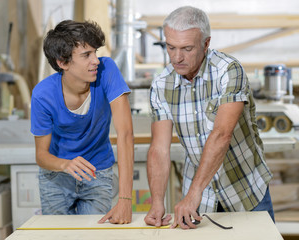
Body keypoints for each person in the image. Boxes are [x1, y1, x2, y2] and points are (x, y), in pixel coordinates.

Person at [144, 6, 274, 229]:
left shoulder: (229, 71)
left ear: (206, 44)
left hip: (245, 191)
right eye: (171, 47)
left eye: (186, 48)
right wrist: (157, 202)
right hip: (201, 202)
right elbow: (159, 148)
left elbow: (222, 135)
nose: (177, 57)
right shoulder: (161, 84)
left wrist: (193, 194)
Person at [30, 20, 134, 224]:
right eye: (86, 55)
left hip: (98, 171)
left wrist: (125, 199)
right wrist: (65, 164)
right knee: (59, 236)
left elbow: (125, 135)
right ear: (63, 62)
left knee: (94, 235)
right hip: (56, 177)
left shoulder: (107, 70)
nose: (95, 60)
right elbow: (41, 155)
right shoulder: (43, 95)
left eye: (95, 52)